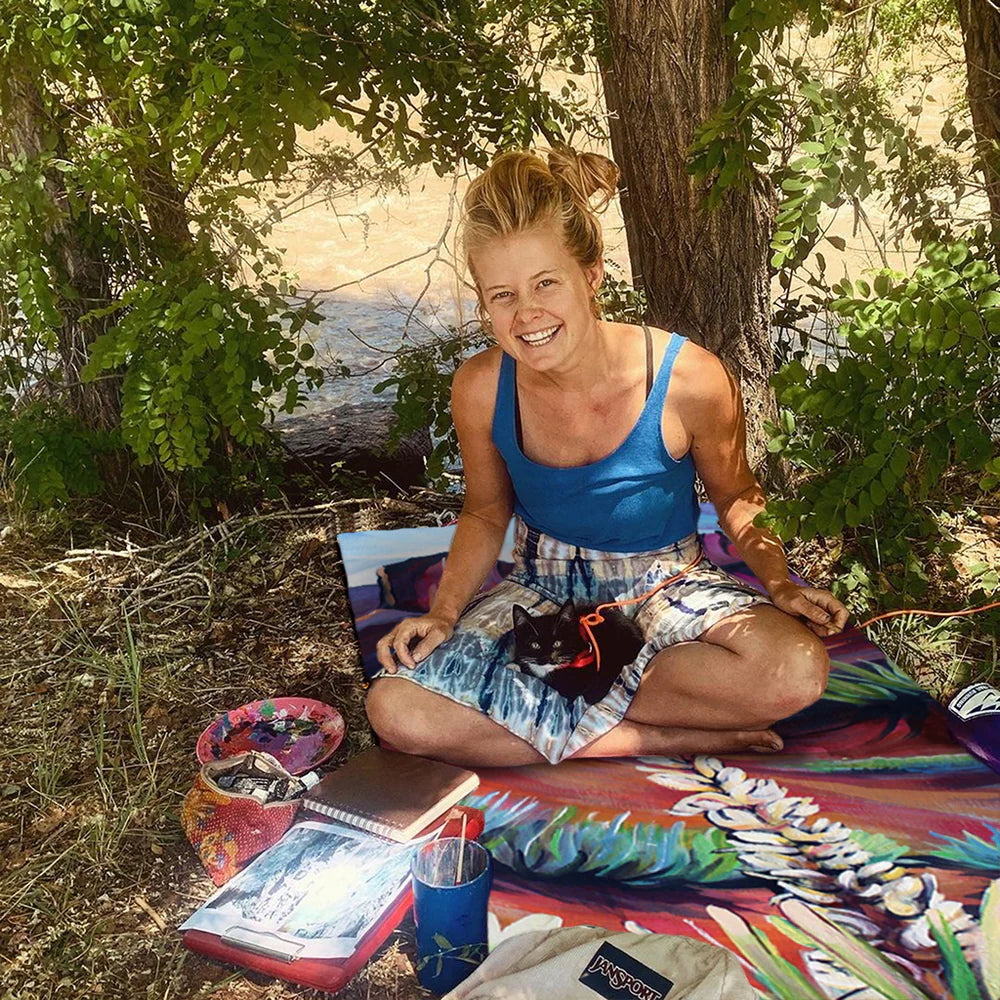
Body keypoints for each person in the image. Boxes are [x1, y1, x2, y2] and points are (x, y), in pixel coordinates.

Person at [366, 146, 849, 767]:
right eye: (502, 296)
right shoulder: (482, 386)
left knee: (795, 671)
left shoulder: (689, 377)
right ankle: (651, 737)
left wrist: (779, 583)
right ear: (484, 304)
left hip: (668, 586)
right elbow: (486, 513)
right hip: (548, 596)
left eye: (546, 283)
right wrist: (443, 612)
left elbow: (736, 496)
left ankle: (557, 710)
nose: (528, 313)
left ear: (590, 275)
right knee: (397, 710)